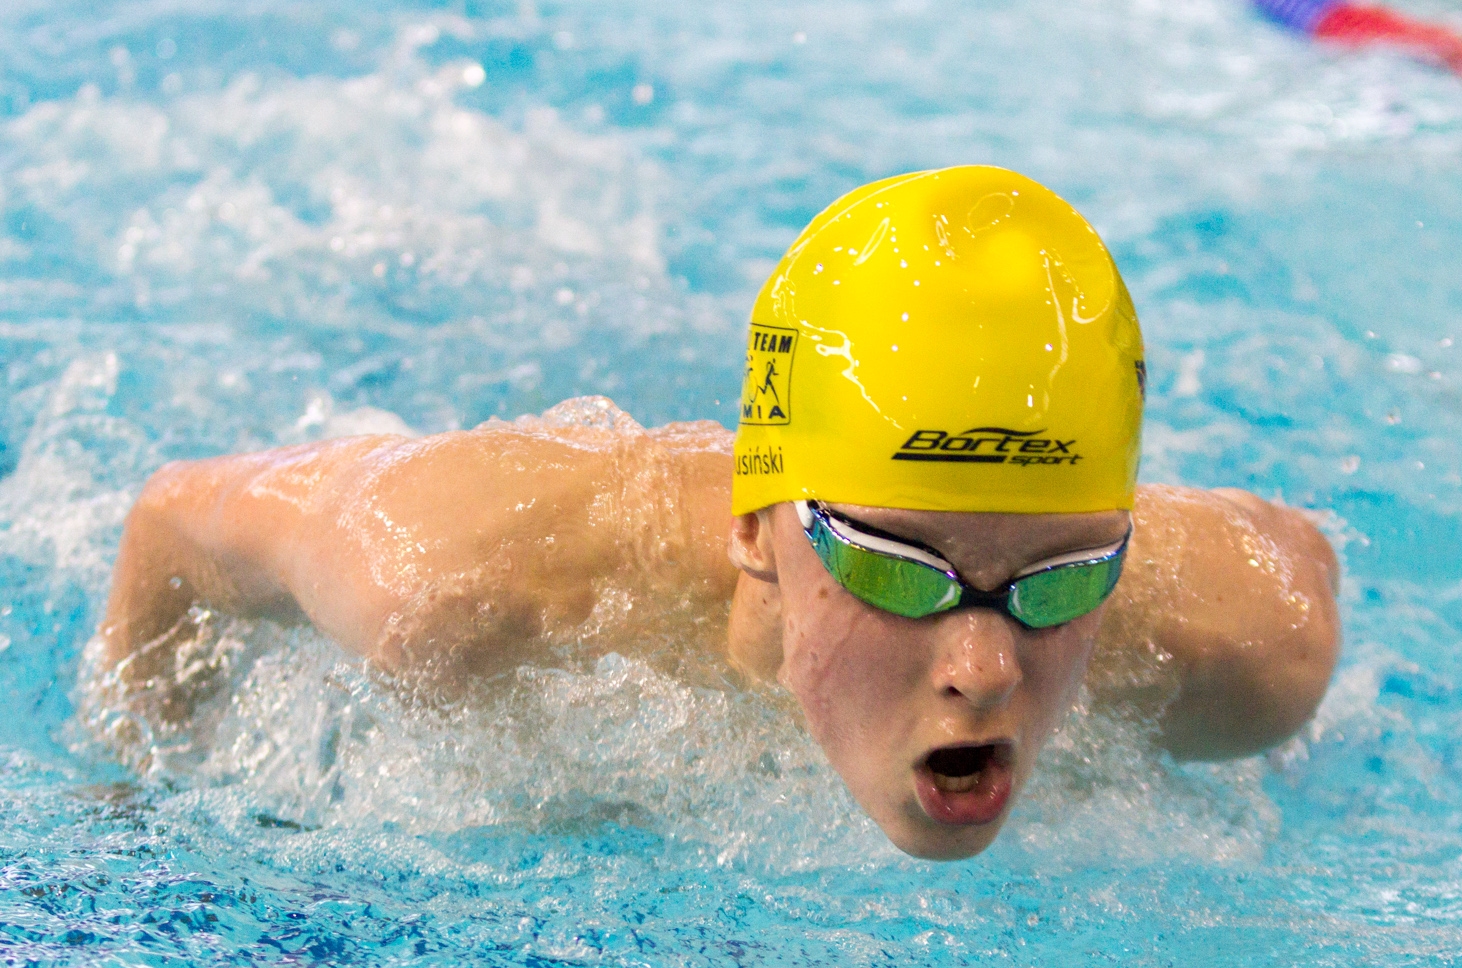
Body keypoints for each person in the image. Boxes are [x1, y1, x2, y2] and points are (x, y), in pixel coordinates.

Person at [94, 166, 1341, 860]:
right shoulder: (461, 574)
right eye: (902, 567)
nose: (982, 665)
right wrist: (132, 810)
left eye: (1059, 577)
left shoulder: (1250, 649)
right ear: (757, 525)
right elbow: (170, 522)